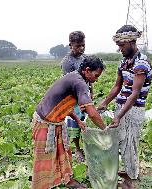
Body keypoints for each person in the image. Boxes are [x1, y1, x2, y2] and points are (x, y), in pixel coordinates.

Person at [31, 55, 106, 189]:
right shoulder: (79, 82)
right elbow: (92, 113)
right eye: (96, 75)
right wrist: (106, 131)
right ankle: (41, 186)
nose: (96, 80)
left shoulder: (75, 76)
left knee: (63, 153)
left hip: (56, 121)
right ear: (87, 70)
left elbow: (65, 103)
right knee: (44, 159)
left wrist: (78, 120)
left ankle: (68, 180)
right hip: (45, 122)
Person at [98, 25, 152, 189]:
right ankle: (129, 170)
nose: (119, 48)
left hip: (133, 109)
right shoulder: (124, 62)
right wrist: (105, 102)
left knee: (130, 143)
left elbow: (135, 93)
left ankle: (130, 179)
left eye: (122, 45)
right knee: (121, 141)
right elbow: (117, 86)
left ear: (132, 42)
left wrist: (119, 115)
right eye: (119, 45)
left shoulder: (141, 63)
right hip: (121, 106)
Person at [61, 31, 90, 163]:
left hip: (85, 93)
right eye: (78, 46)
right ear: (71, 45)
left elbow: (88, 77)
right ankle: (77, 149)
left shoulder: (84, 58)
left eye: (83, 45)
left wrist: (91, 93)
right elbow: (71, 82)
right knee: (75, 121)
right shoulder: (67, 61)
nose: (81, 48)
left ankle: (87, 146)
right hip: (73, 96)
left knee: (86, 120)